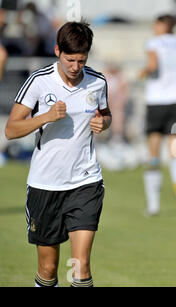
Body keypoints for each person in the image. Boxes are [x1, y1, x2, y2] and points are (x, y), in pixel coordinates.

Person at [4, 21, 111, 287]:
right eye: (70, 59)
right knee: (49, 268)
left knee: (81, 265)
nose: (76, 67)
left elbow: (106, 114)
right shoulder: (39, 81)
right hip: (45, 184)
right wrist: (46, 117)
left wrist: (104, 123)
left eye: (81, 60)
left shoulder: (97, 82)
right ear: (56, 51)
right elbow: (11, 130)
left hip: (85, 182)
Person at [139, 14, 176, 215]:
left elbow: (153, 65)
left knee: (153, 151)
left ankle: (153, 205)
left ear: (163, 25)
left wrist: (144, 72)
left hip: (157, 101)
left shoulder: (154, 42)